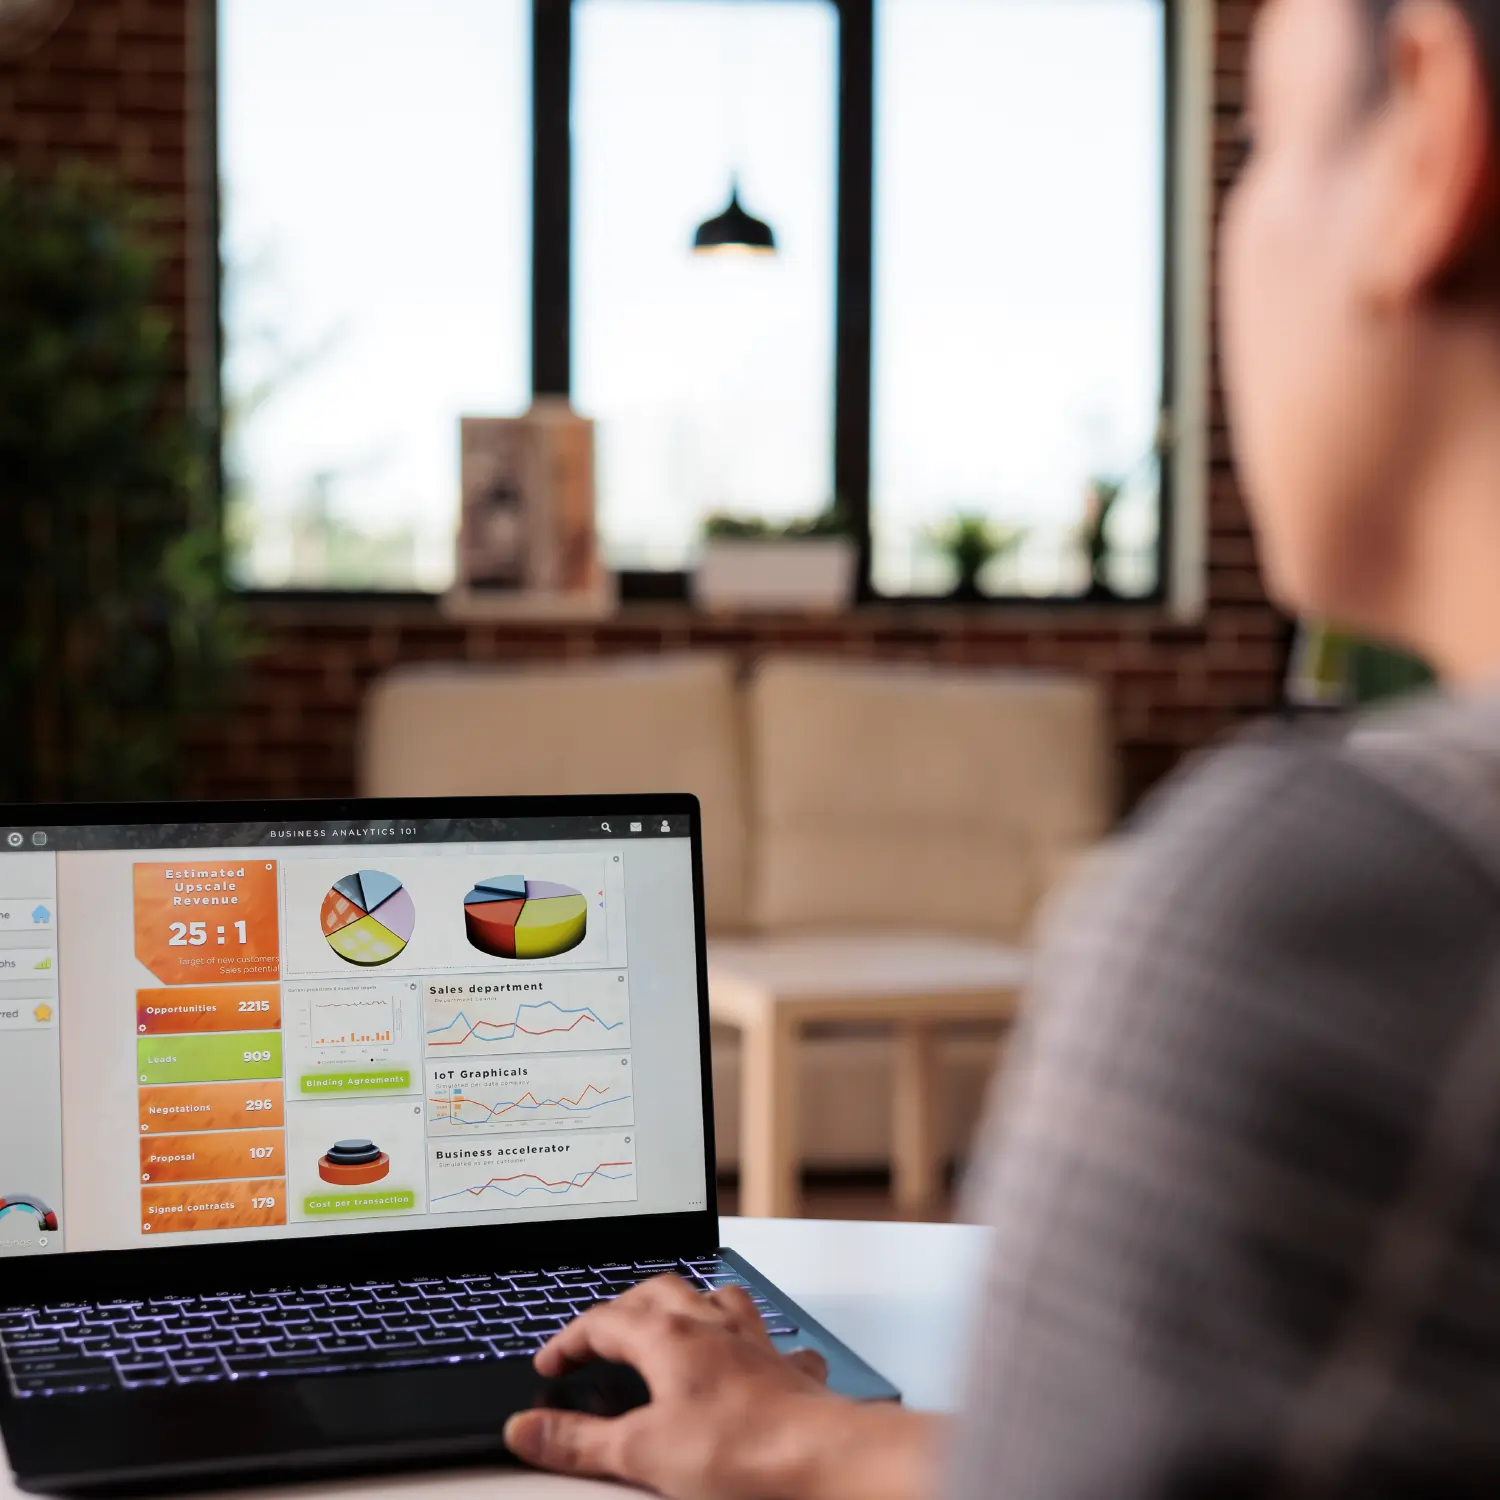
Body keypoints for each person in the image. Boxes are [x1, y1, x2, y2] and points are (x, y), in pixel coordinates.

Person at [503, 0, 1500, 1492]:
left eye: (1257, 139)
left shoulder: (1328, 910)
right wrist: (812, 1439)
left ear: (1429, 129)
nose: (1235, 226)